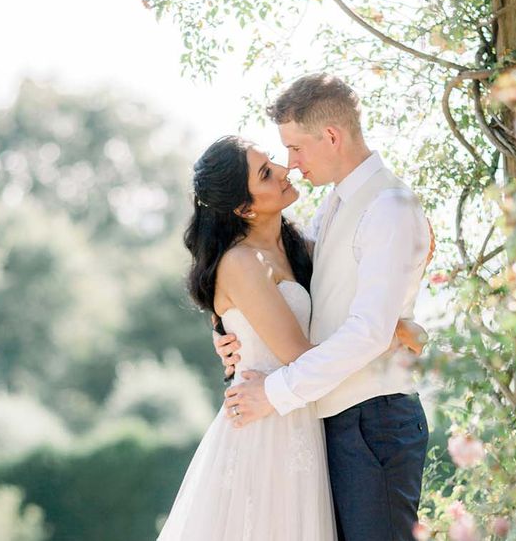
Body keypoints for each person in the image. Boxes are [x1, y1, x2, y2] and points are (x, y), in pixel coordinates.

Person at [157, 135, 426, 541]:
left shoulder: (299, 245)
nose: (284, 170)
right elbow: (300, 356)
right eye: (266, 173)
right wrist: (391, 334)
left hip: (303, 418)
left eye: (272, 162)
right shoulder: (242, 262)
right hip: (267, 430)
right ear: (244, 208)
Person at [219, 74, 432, 541]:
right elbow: (293, 288)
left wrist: (273, 393)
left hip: (374, 420)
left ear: (331, 136)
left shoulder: (388, 207)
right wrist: (230, 331)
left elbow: (368, 333)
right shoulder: (336, 204)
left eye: (294, 148)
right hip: (334, 420)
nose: (291, 166)